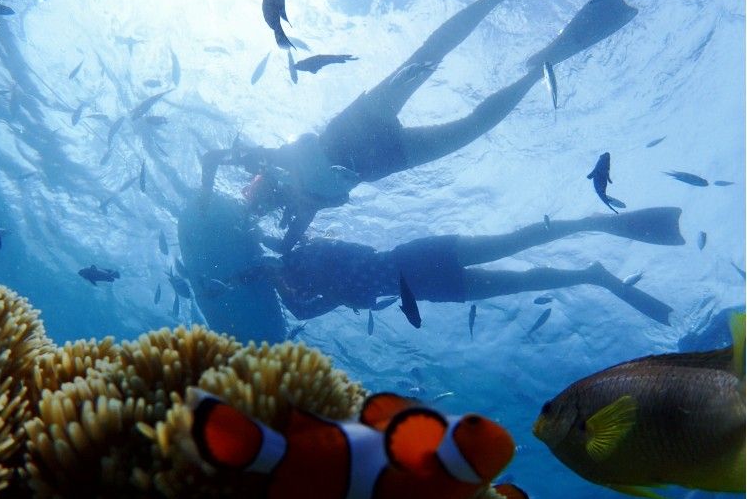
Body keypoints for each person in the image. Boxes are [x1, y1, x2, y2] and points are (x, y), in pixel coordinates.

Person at [225, 0, 639, 251]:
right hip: (378, 150)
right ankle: (543, 57)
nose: (253, 191)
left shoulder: (277, 173)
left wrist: (234, 190)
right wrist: (257, 229)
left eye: (250, 193)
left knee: (441, 72)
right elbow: (285, 244)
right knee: (445, 77)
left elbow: (237, 165)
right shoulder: (295, 203)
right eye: (252, 196)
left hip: (369, 140)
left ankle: (523, 19)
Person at [180, 182, 684, 344]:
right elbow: (310, 310)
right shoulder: (299, 295)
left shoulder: (301, 253)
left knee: (511, 242)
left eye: (270, 270)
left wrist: (270, 267)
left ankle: (589, 223)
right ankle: (593, 275)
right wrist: (269, 283)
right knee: (519, 280)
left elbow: (337, 255)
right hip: (423, 289)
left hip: (417, 258)